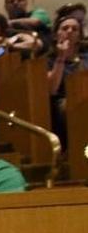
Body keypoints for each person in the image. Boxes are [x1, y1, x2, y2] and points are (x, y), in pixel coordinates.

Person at [48, 15, 88, 143]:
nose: (70, 31)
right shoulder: (48, 60)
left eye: (75, 29)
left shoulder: (86, 58)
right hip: (63, 104)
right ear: (56, 35)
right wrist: (61, 57)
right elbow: (52, 89)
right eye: (65, 28)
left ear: (80, 36)